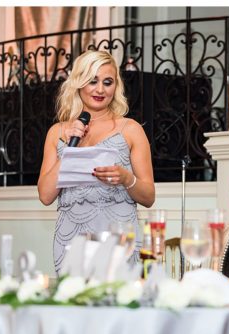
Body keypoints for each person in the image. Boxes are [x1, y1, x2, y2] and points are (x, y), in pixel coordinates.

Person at [37, 50, 155, 274]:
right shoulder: (57, 133)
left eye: (107, 82)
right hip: (72, 241)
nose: (100, 89)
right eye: (92, 81)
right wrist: (70, 149)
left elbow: (149, 196)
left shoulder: (130, 130)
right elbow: (45, 195)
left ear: (115, 87)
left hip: (120, 242)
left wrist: (126, 178)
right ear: (79, 83)